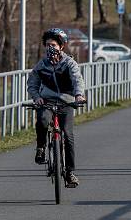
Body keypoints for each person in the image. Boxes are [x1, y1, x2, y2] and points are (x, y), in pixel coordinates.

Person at [27, 28, 86, 188]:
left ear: (61, 46)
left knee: (68, 136)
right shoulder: (41, 65)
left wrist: (79, 95)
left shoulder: (69, 63)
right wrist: (37, 97)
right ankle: (41, 147)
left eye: (53, 44)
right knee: (42, 121)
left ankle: (70, 173)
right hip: (46, 101)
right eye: (47, 45)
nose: (50, 48)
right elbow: (32, 83)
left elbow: (77, 80)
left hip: (66, 102)